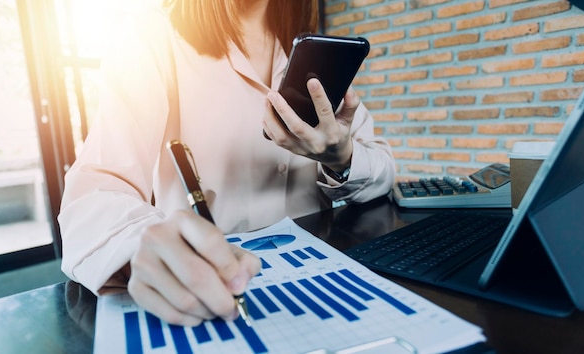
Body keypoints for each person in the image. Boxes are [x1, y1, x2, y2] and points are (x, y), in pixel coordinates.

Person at [58, 0, 395, 326]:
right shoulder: (151, 34)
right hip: (208, 292)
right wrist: (137, 243)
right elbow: (93, 190)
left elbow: (384, 170)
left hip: (320, 288)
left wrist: (341, 157)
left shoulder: (313, 55)